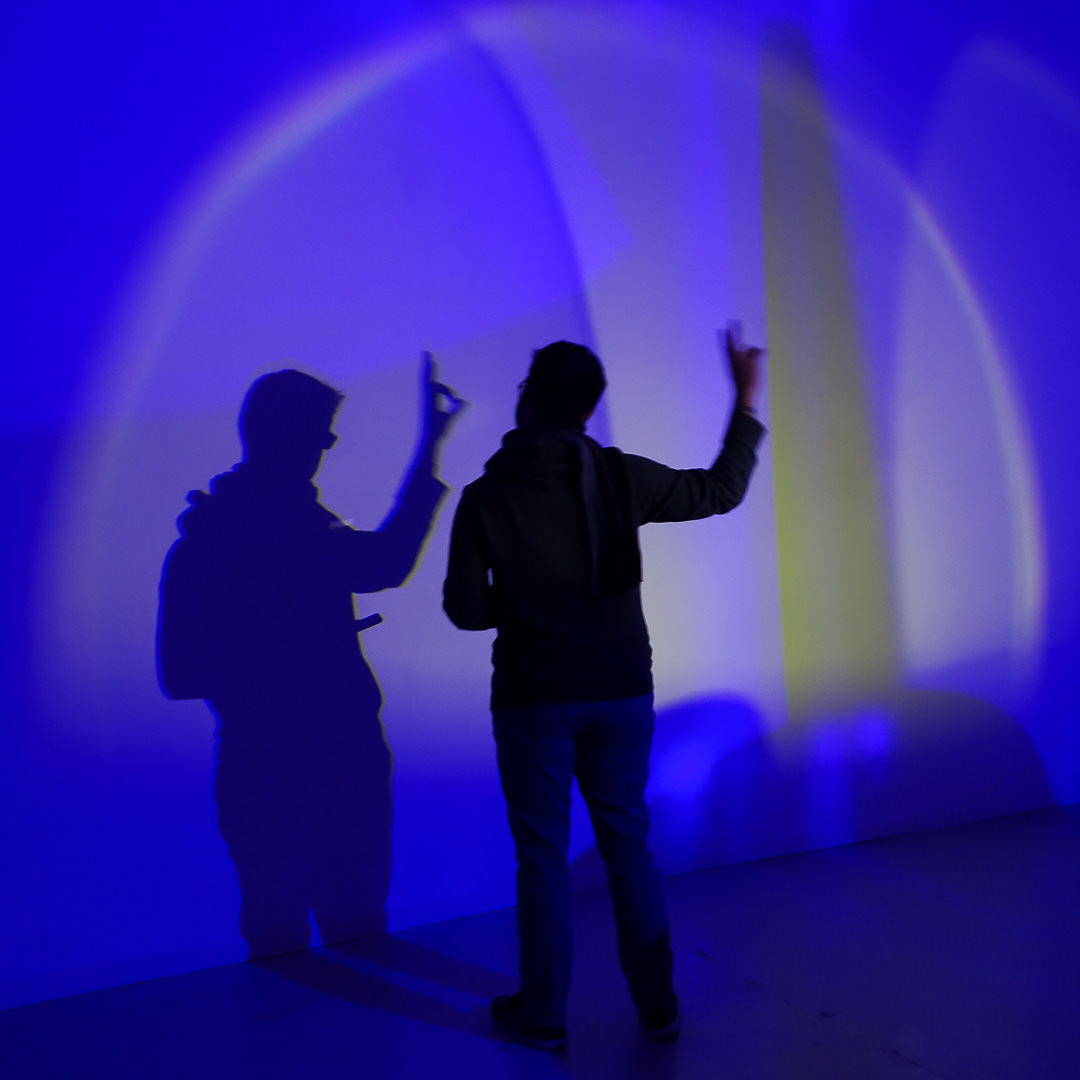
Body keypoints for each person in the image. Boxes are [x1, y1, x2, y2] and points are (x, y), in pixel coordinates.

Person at [442, 326, 764, 1049]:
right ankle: (659, 1007)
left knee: (543, 859)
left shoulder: (486, 496)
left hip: (533, 697)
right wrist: (745, 398)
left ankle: (543, 1015)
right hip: (621, 692)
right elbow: (721, 490)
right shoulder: (621, 477)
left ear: (527, 399)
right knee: (628, 847)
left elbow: (463, 609)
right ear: (588, 410)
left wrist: (521, 605)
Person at [158, 354, 463, 957]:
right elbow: (388, 563)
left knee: (295, 944)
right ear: (290, 438)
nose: (328, 446)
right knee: (340, 935)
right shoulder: (293, 539)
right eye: (321, 434)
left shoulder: (209, 542)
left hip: (277, 765)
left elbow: (180, 674)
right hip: (318, 763)